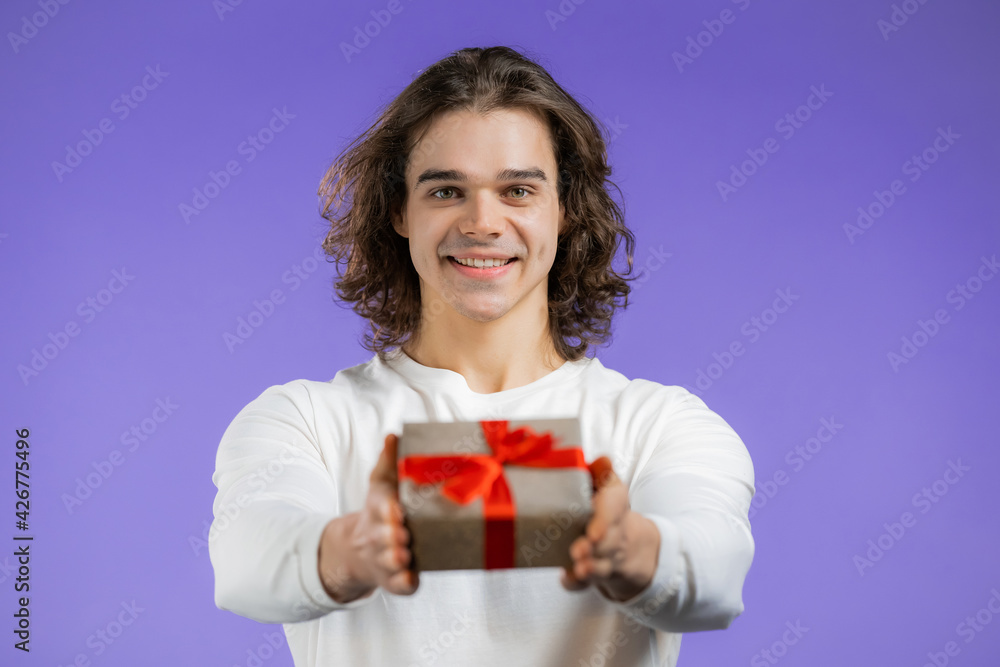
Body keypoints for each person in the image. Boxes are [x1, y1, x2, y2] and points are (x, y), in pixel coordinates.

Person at [209, 45, 755, 667]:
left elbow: (715, 571)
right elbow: (245, 563)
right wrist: (347, 551)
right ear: (399, 211)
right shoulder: (304, 420)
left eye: (517, 190)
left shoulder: (661, 426)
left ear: (564, 209)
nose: (482, 223)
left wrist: (638, 553)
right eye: (447, 191)